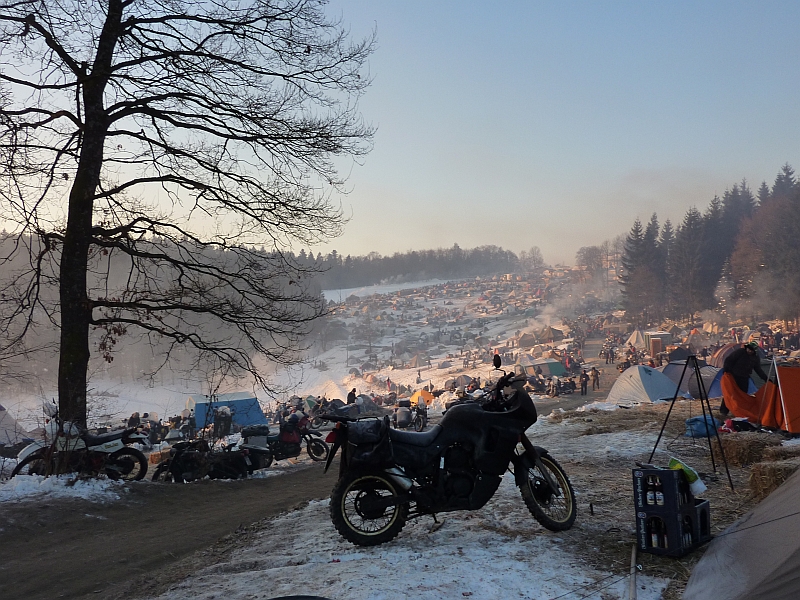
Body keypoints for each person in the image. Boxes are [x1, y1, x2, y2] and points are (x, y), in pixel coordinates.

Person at [720, 341, 769, 416]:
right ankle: (724, 411)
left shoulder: (755, 358)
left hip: (744, 378)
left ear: (754, 351)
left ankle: (740, 411)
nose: (749, 350)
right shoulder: (740, 352)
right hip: (734, 376)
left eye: (751, 350)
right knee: (730, 393)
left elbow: (758, 369)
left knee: (742, 395)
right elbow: (729, 360)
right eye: (748, 349)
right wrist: (726, 371)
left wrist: (765, 378)